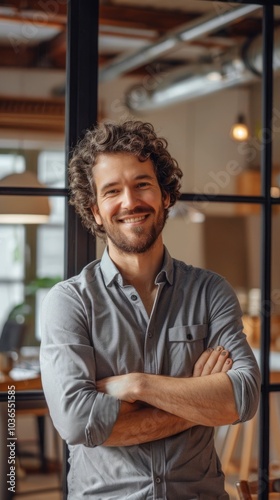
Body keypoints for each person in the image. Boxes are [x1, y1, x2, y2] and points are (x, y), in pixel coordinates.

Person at [40, 120, 261, 499]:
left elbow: (242, 397)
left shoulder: (210, 291)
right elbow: (79, 422)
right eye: (112, 191)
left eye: (142, 184)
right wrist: (198, 398)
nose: (130, 202)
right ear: (94, 211)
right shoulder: (69, 301)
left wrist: (136, 385)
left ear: (166, 196)